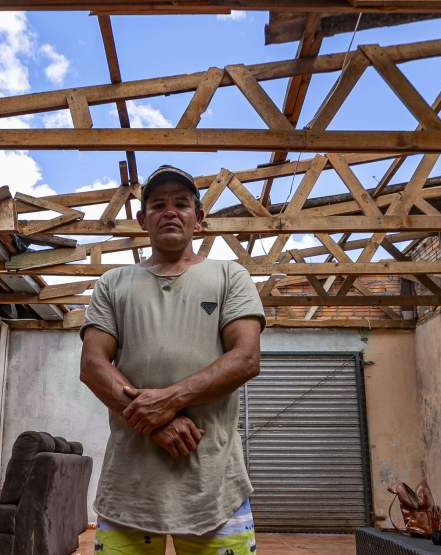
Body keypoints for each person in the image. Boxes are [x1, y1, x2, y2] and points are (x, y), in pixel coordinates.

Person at [79, 165, 266, 554]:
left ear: (198, 219)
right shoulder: (113, 283)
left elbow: (246, 357)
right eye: (158, 204)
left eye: (181, 204)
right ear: (142, 219)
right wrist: (154, 421)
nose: (170, 211)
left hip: (214, 490)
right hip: (129, 489)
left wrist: (170, 400)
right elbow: (93, 365)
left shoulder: (230, 275)